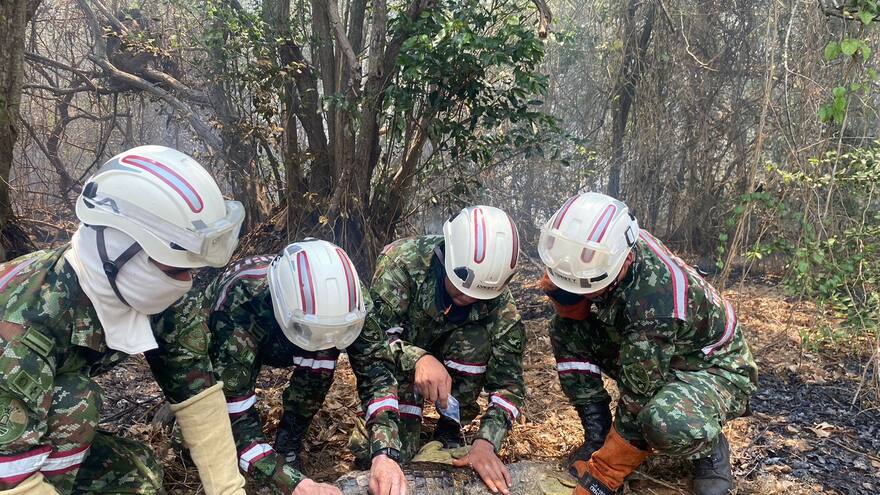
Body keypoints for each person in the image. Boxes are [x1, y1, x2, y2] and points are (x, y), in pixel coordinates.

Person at [0, 146, 247, 494]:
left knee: (135, 478)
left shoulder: (153, 287)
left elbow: (198, 395)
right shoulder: (22, 320)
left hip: (27, 431)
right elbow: (13, 479)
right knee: (74, 402)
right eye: (177, 267)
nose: (187, 280)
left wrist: (229, 490)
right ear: (119, 249)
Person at [536, 192, 758, 495]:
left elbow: (637, 397)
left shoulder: (655, 299)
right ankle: (598, 435)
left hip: (713, 366)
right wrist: (569, 296)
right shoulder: (600, 244)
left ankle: (708, 445)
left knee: (662, 421)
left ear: (623, 262)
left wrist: (603, 476)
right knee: (566, 329)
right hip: (657, 347)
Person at [154, 238, 407, 495]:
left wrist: (384, 453)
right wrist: (289, 483)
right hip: (243, 334)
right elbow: (233, 414)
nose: (324, 345)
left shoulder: (349, 298)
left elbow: (377, 373)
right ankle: (184, 445)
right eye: (316, 334)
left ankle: (288, 448)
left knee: (318, 370)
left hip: (297, 329)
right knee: (208, 426)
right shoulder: (238, 306)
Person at [352, 205, 526, 495]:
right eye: (459, 290)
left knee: (474, 340)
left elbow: (509, 385)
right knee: (385, 453)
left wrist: (486, 442)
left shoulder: (498, 299)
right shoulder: (402, 263)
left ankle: (450, 427)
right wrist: (417, 357)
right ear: (446, 257)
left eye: (477, 296)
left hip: (455, 360)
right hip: (403, 355)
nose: (468, 299)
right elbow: (373, 344)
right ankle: (402, 422)